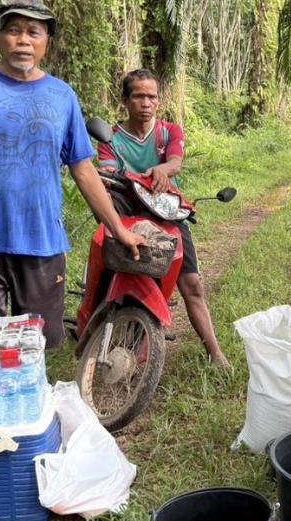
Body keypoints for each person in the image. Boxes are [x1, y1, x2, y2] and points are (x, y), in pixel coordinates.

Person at [0, 0, 141, 414]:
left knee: (33, 344)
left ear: (46, 42)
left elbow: (83, 169)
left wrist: (118, 227)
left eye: (33, 32)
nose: (23, 40)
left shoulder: (62, 97)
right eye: (14, 30)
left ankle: (28, 428)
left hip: (41, 243)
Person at [96, 69, 230, 368]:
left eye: (151, 97)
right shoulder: (112, 138)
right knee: (112, 266)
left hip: (168, 210)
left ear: (159, 101)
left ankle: (215, 352)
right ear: (126, 100)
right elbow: (105, 172)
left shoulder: (169, 131)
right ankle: (97, 324)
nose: (146, 103)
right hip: (127, 212)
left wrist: (162, 170)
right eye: (139, 96)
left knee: (192, 283)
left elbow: (175, 162)